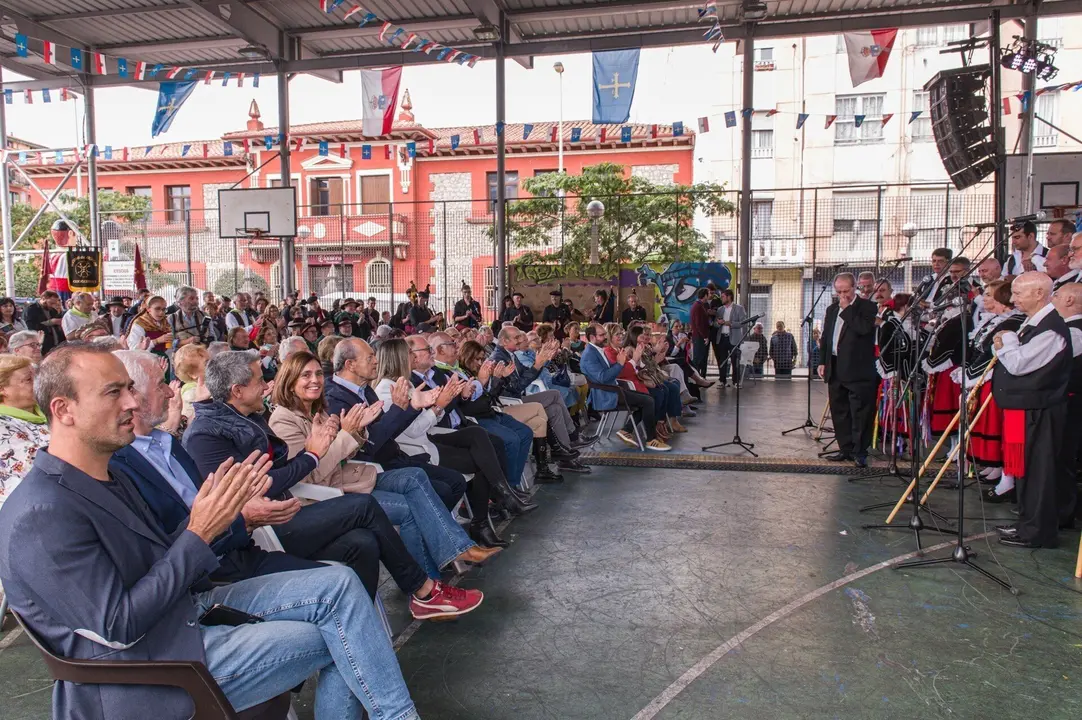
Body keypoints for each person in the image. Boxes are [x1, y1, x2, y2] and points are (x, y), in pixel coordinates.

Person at [0, 343, 423, 720]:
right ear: (63, 410)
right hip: (150, 667)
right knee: (343, 635)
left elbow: (163, 555)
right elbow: (119, 627)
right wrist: (200, 531)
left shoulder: (111, 474)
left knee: (342, 583)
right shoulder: (41, 513)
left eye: (130, 388)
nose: (132, 401)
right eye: (114, 392)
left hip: (183, 611)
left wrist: (222, 516)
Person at [267, 350, 498, 580]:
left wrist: (357, 431)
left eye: (318, 373)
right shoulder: (285, 419)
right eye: (306, 375)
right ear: (290, 381)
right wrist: (349, 433)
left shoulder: (319, 410)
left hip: (355, 472)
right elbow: (309, 473)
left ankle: (455, 549)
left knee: (414, 476)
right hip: (330, 491)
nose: (316, 380)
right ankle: (430, 581)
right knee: (411, 507)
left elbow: (349, 450)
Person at [380, 337, 535, 544]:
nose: (414, 358)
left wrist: (441, 404)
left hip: (434, 433)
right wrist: (438, 406)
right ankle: (485, 519)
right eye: (410, 354)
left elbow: (430, 418)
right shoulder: (389, 388)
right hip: (417, 447)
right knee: (481, 458)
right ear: (399, 358)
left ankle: (501, 498)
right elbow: (414, 430)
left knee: (478, 436)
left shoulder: (407, 382)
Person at [325, 337, 469, 511]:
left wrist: (412, 407)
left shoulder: (364, 389)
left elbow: (389, 432)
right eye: (370, 358)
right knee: (444, 489)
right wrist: (400, 409)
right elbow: (369, 447)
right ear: (350, 365)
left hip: (395, 457)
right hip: (374, 468)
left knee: (456, 481)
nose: (376, 361)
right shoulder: (335, 399)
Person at [992, 272, 1071, 548]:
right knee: (1022, 468)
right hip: (1022, 408)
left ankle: (1038, 531)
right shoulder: (1032, 323)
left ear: (1039, 293)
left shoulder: (1051, 330)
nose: (1013, 299)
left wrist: (1006, 341)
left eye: (1018, 293)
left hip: (1039, 411)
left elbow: (1019, 364)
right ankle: (1026, 522)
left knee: (1039, 471)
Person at [427, 331, 543, 485]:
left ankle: (513, 483)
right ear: (441, 350)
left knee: (525, 432)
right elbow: (469, 405)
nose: (456, 346)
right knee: (511, 440)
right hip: (476, 416)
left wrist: (497, 379)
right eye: (452, 344)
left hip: (489, 411)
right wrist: (489, 381)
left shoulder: (458, 369)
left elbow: (486, 397)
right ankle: (508, 486)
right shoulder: (442, 373)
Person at [457, 340, 563, 484]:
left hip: (494, 409)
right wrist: (495, 379)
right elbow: (482, 402)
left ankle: (523, 477)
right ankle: (513, 483)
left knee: (534, 425)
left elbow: (498, 392)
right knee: (519, 431)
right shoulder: (469, 373)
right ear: (467, 357)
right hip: (487, 413)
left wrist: (502, 377)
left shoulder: (507, 359)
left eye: (482, 359)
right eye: (477, 359)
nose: (480, 362)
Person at [959, 280, 1025, 503]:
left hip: (1005, 383)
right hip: (995, 381)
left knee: (1004, 432)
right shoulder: (1000, 320)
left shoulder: (1015, 322)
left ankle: (1006, 477)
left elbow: (994, 353)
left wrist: (970, 375)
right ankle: (998, 470)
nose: (983, 298)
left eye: (989, 294)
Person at [489, 327, 587, 464]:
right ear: (504, 341)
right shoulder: (498, 359)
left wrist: (540, 362)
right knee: (554, 397)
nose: (520, 341)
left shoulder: (510, 354)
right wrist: (537, 366)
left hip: (517, 398)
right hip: (509, 402)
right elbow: (516, 386)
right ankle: (571, 439)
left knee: (555, 407)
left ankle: (566, 450)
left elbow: (525, 373)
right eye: (516, 338)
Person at [818, 272, 878, 467]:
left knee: (860, 413)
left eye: (846, 291)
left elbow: (864, 329)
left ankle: (859, 451)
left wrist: (847, 310)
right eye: (839, 292)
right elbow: (826, 337)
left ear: (854, 288)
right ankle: (845, 448)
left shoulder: (867, 307)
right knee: (839, 410)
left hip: (858, 369)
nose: (842, 296)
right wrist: (822, 361)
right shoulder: (831, 309)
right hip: (835, 365)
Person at [580, 323, 670, 451]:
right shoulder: (589, 355)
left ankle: (628, 430)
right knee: (649, 400)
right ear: (592, 337)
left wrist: (622, 363)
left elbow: (610, 372)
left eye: (605, 334)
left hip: (615, 389)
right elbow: (603, 377)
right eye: (602, 335)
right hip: (607, 395)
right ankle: (650, 439)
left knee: (649, 399)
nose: (605, 337)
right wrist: (620, 364)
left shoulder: (597, 351)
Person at [1051, 281, 1082, 525]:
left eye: (1057, 295)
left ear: (1070, 300)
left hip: (1071, 402)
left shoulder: (1075, 331)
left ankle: (1063, 511)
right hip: (1066, 401)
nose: (1053, 298)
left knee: (1064, 457)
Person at [0, 354, 48, 507]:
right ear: (2, 389)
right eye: (28, 379)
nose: (38, 382)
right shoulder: (3, 426)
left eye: (36, 376)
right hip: (33, 506)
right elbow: (37, 464)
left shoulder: (46, 408)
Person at [712, 289, 747, 388]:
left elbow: (743, 322)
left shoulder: (739, 308)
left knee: (735, 360)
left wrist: (729, 323)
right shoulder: (720, 309)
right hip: (722, 338)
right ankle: (722, 381)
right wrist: (718, 323)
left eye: (723, 296)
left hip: (734, 338)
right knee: (722, 360)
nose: (721, 298)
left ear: (729, 297)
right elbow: (715, 324)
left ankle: (736, 381)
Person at [173, 342, 210, 421]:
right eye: (206, 363)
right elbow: (192, 422)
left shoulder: (210, 384)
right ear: (193, 374)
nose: (213, 365)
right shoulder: (191, 394)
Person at [23, 290, 65, 355]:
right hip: (42, 345)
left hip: (56, 344)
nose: (52, 305)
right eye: (51, 303)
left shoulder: (52, 310)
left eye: (54, 303)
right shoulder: (31, 309)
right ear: (43, 299)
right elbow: (31, 327)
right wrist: (50, 322)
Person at [689, 287, 711, 378]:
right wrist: (705, 336)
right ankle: (696, 378)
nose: (710, 296)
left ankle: (699, 378)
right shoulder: (698, 306)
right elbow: (699, 324)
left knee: (700, 358)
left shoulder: (699, 305)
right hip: (699, 337)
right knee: (698, 358)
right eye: (708, 294)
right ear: (705, 295)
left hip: (699, 336)